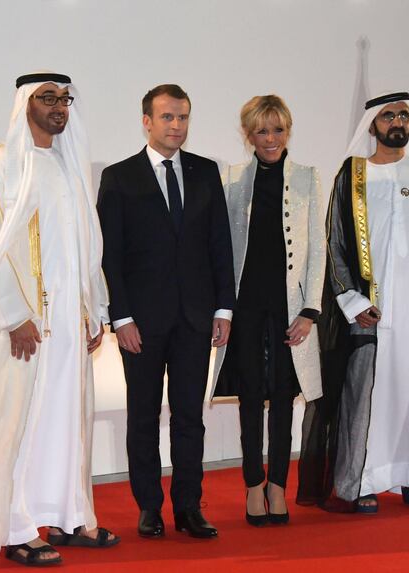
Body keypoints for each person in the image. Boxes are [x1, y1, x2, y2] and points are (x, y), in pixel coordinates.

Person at [0, 72, 119, 566]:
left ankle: (69, 516)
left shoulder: (68, 165)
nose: (58, 107)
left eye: (64, 99)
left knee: (68, 420)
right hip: (28, 329)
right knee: (21, 424)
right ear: (25, 105)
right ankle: (15, 527)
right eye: (47, 98)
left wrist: (95, 307)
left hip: (69, 330)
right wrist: (13, 315)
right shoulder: (4, 164)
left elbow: (87, 247)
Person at [297, 91, 409, 514]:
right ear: (372, 125)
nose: (397, 122)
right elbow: (333, 243)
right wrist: (351, 302)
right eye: (388, 115)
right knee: (363, 396)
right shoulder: (353, 174)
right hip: (371, 313)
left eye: (404, 115)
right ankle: (359, 483)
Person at [97, 84, 235, 539]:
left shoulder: (205, 172)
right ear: (147, 121)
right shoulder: (119, 177)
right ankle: (149, 508)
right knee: (141, 416)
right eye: (168, 118)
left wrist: (224, 308)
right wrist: (121, 317)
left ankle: (189, 507)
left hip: (197, 319)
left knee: (189, 417)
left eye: (183, 118)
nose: (177, 126)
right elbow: (110, 255)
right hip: (142, 324)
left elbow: (220, 244)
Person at [210, 95, 325, 526]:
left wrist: (310, 311)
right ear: (248, 135)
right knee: (249, 399)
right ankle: (252, 486)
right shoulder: (233, 178)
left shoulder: (310, 179)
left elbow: (318, 251)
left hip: (289, 308)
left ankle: (279, 485)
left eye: (277, 130)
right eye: (261, 131)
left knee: (282, 398)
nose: (270, 139)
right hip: (246, 307)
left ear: (287, 131)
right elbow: (222, 250)